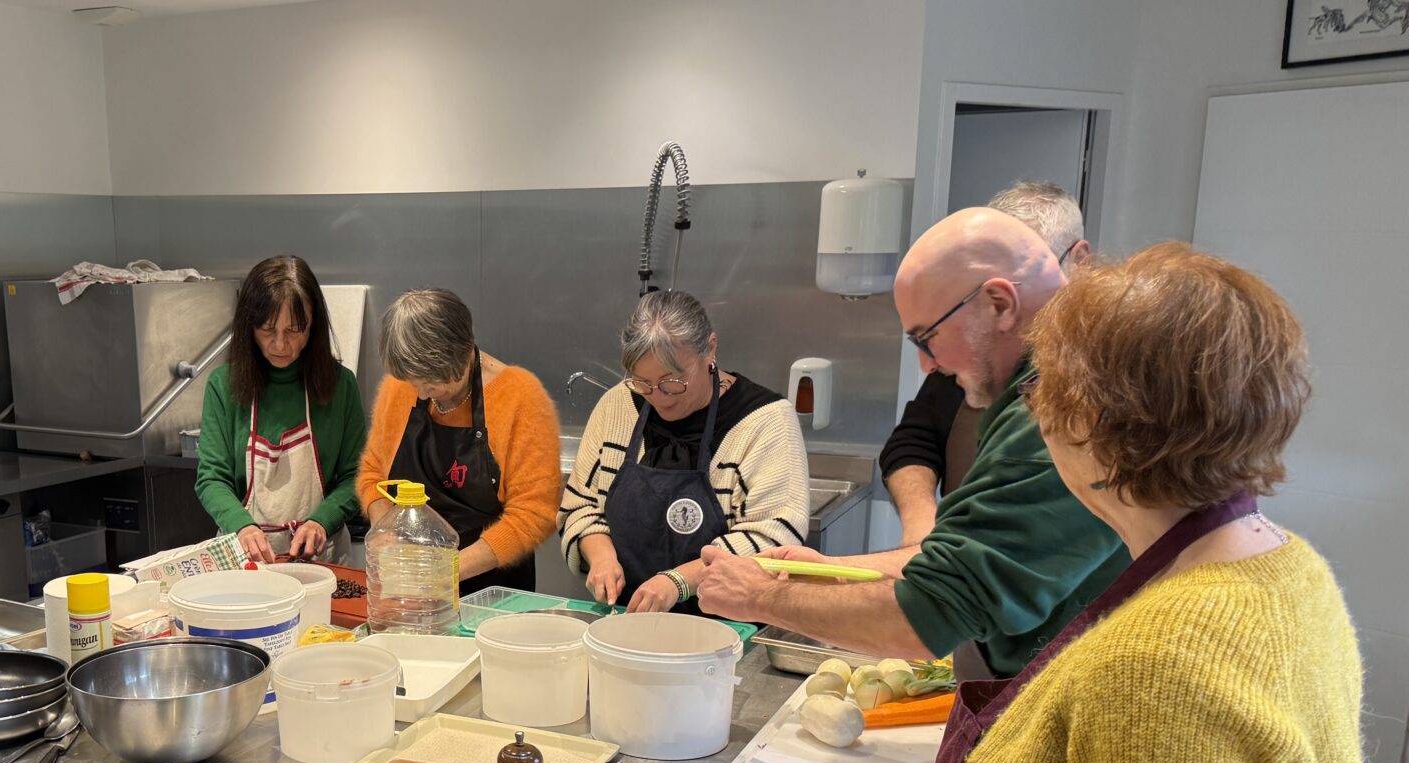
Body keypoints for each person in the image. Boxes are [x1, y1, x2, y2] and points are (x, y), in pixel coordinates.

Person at [864, 244, 1364, 763]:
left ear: (1085, 421)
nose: (1033, 409)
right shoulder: (1284, 565)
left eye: (1043, 389)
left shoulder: (1164, 663)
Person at [697, 208, 1127, 679]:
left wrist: (760, 596)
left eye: (927, 339)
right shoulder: (1047, 380)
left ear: (1000, 304)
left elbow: (933, 610)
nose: (928, 367)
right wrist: (834, 572)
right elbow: (962, 555)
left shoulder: (1059, 415)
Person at [561, 290, 808, 613]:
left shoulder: (764, 420)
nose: (659, 396)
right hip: (627, 621)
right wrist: (601, 556)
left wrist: (678, 582)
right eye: (643, 382)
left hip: (730, 627)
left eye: (672, 381)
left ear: (710, 349)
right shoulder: (619, 405)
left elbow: (775, 536)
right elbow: (580, 505)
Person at [882, 181, 1093, 545]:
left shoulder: (1089, 390)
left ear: (1080, 259)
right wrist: (921, 527)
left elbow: (980, 580)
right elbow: (913, 441)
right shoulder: (973, 356)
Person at [356, 289, 561, 594]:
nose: (422, 394)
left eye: (432, 381)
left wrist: (445, 572)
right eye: (415, 382)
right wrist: (386, 529)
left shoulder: (520, 398)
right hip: (411, 588)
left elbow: (533, 514)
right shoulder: (400, 388)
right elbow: (373, 474)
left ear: (463, 352)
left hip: (492, 592)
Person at [195, 255, 367, 564]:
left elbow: (357, 475)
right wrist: (242, 526)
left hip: (321, 558)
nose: (279, 344)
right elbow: (211, 478)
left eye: (294, 330)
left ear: (313, 325)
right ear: (249, 326)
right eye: (267, 329)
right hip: (244, 558)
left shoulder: (341, 386)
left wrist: (321, 521)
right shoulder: (224, 386)